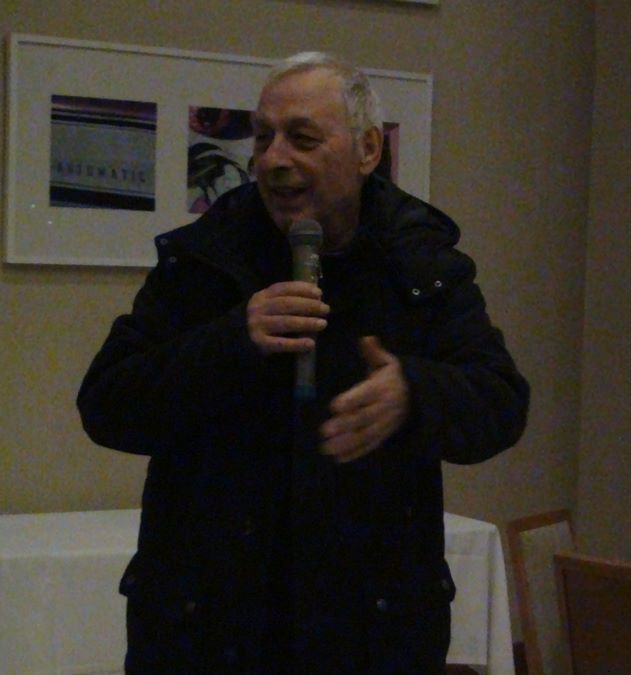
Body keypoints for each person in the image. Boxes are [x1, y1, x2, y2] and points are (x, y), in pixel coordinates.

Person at [77, 52, 530, 673]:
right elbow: (106, 405)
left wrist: (415, 393)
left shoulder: (420, 264)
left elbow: (502, 403)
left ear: (368, 150)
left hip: (368, 634)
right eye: (263, 137)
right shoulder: (204, 259)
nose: (273, 159)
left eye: (303, 138)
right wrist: (231, 341)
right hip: (205, 629)